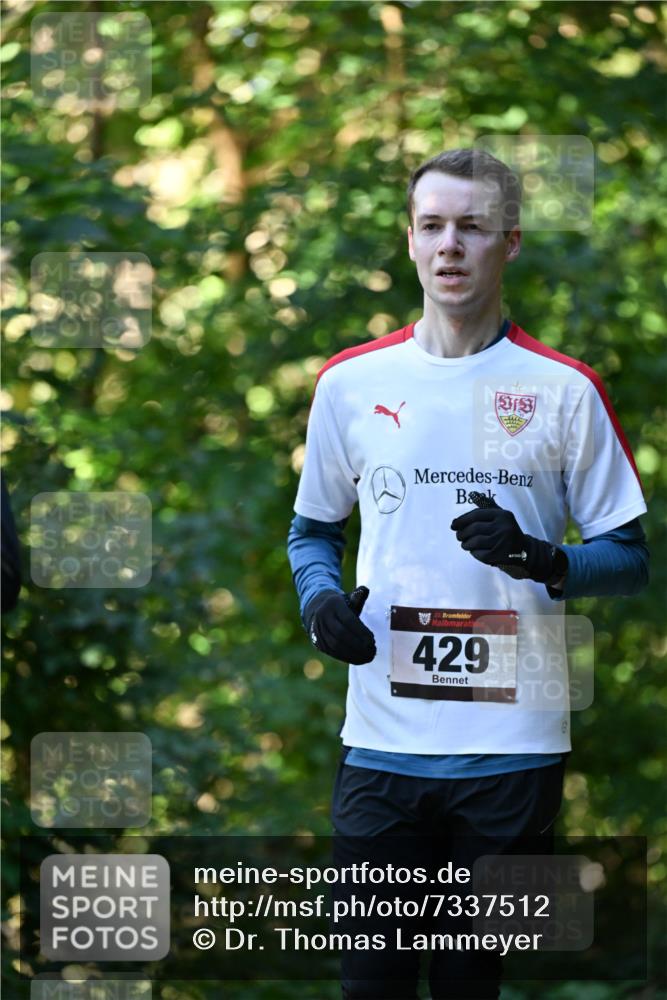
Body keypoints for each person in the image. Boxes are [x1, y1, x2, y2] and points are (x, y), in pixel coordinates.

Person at [287, 148, 648, 999]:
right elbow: (311, 532)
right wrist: (319, 603)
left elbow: (629, 561)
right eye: (432, 226)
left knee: (462, 988)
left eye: (472, 227)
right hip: (380, 742)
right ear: (410, 242)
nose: (450, 245)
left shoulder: (562, 390)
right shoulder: (350, 383)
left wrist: (541, 557)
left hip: (509, 749)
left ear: (508, 242)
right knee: (367, 989)